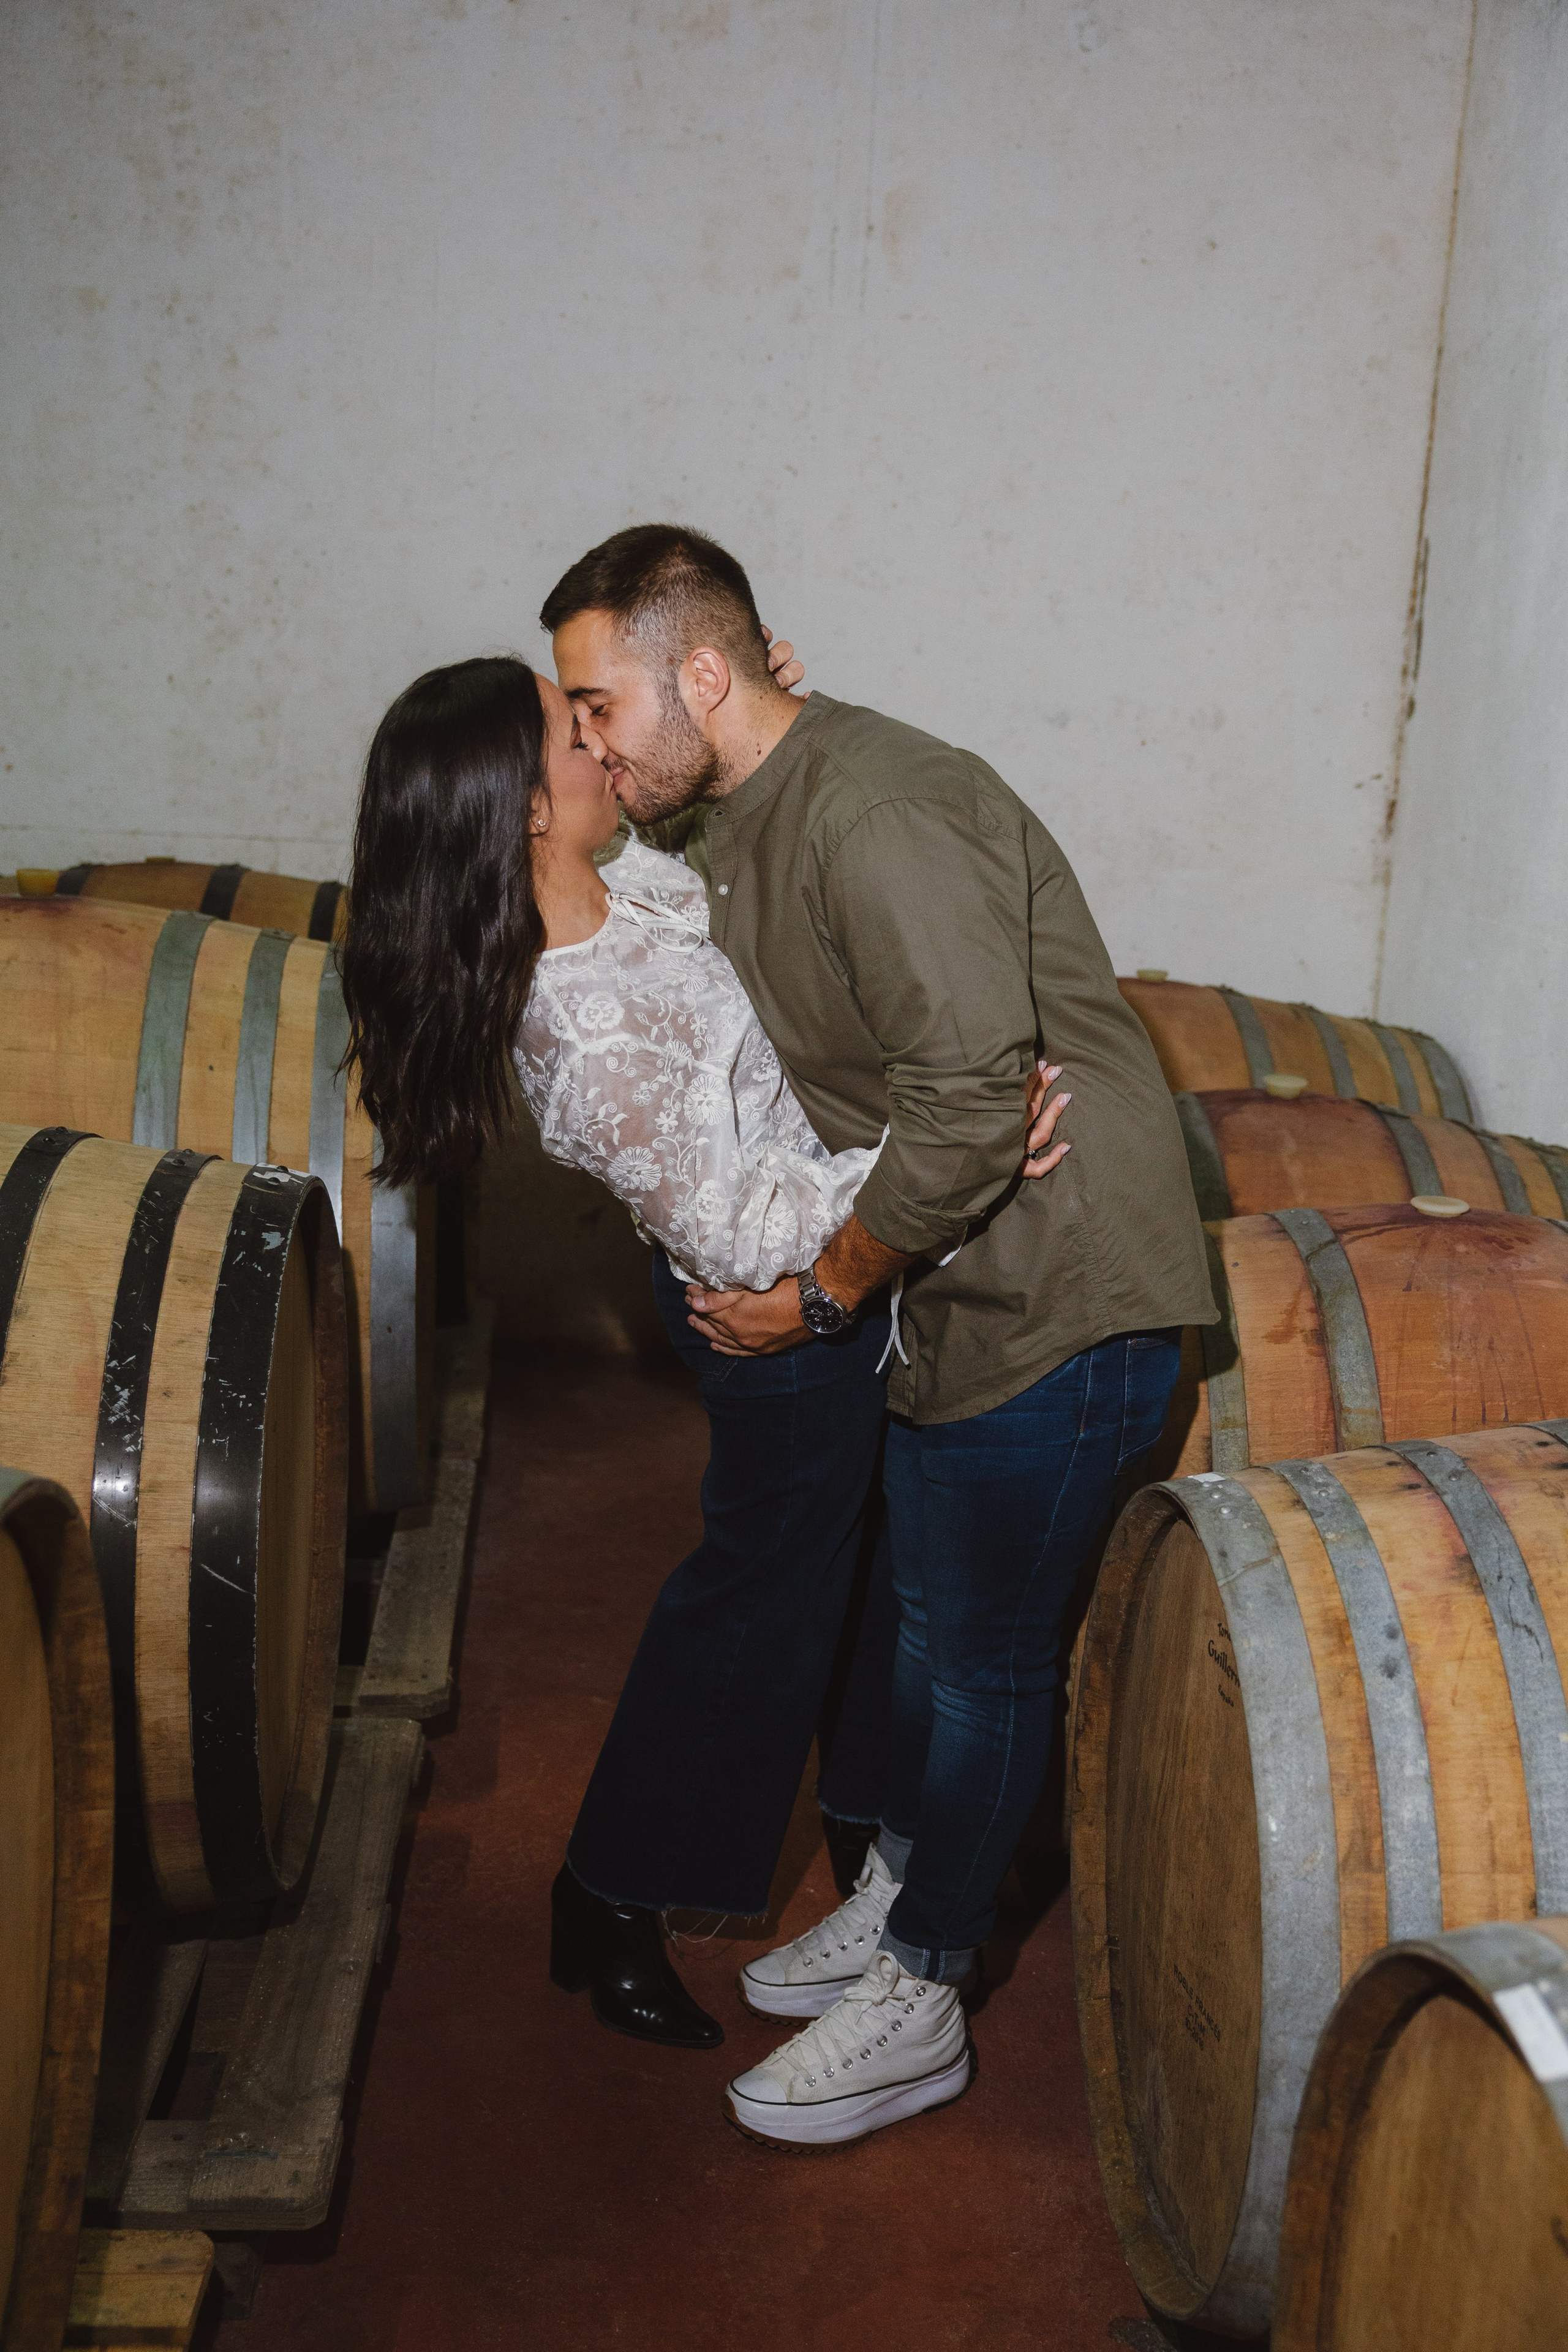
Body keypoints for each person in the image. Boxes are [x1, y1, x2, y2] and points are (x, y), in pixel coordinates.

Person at [542, 523, 1217, 2149]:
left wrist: (826, 1291)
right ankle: (909, 1884)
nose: (584, 743)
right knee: (918, 1630)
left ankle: (926, 1993)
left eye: (594, 705)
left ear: (701, 674)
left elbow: (980, 1107)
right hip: (967, 1281)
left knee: (979, 1670)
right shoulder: (749, 811)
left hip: (1062, 1294)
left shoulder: (877, 811)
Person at [339, 650, 1071, 2055]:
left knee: (859, 1576)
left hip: (834, 1293)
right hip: (777, 1327)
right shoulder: (577, 1020)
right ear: (517, 811)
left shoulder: (640, 893)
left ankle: (867, 1839)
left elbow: (735, 866)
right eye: (573, 733)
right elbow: (743, 1229)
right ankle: (610, 1894)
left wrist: (724, 710)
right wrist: (936, 1161)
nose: (599, 750)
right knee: (755, 1607)